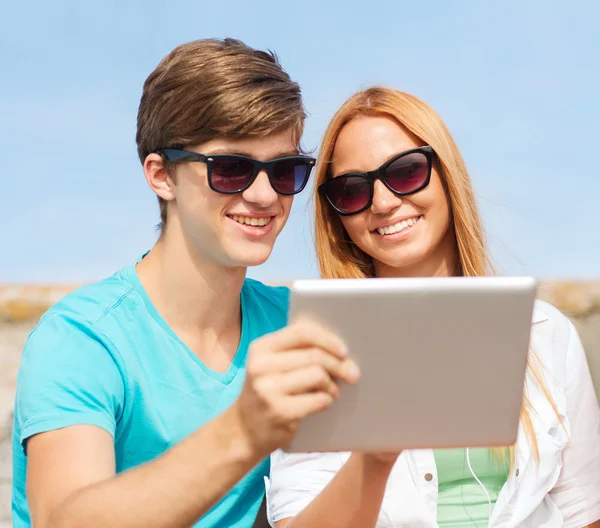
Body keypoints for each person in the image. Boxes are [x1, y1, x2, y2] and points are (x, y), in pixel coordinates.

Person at [11, 38, 360, 528]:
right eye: (232, 168)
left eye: (284, 170)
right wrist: (244, 432)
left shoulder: (297, 323)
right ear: (161, 176)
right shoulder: (81, 339)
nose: (263, 195)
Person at [266, 87, 600, 528]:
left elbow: (584, 514)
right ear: (337, 215)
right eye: (351, 190)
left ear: (446, 173)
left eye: (405, 172)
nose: (383, 203)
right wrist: (374, 453)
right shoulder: (314, 352)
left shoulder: (547, 334)